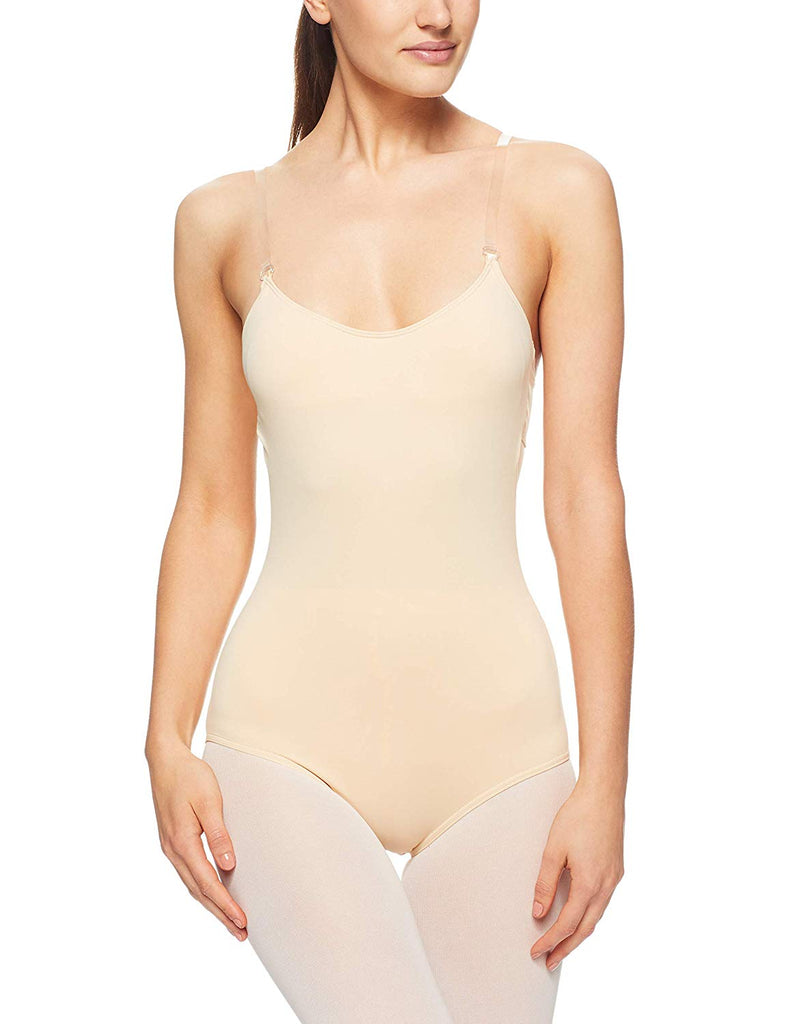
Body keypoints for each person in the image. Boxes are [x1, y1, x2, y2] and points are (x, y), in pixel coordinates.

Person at [145, 3, 632, 1021]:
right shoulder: (222, 224)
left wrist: (605, 782)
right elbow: (212, 506)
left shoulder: (556, 192)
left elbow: (583, 496)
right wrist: (165, 735)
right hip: (283, 745)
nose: (439, 12)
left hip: (503, 756)